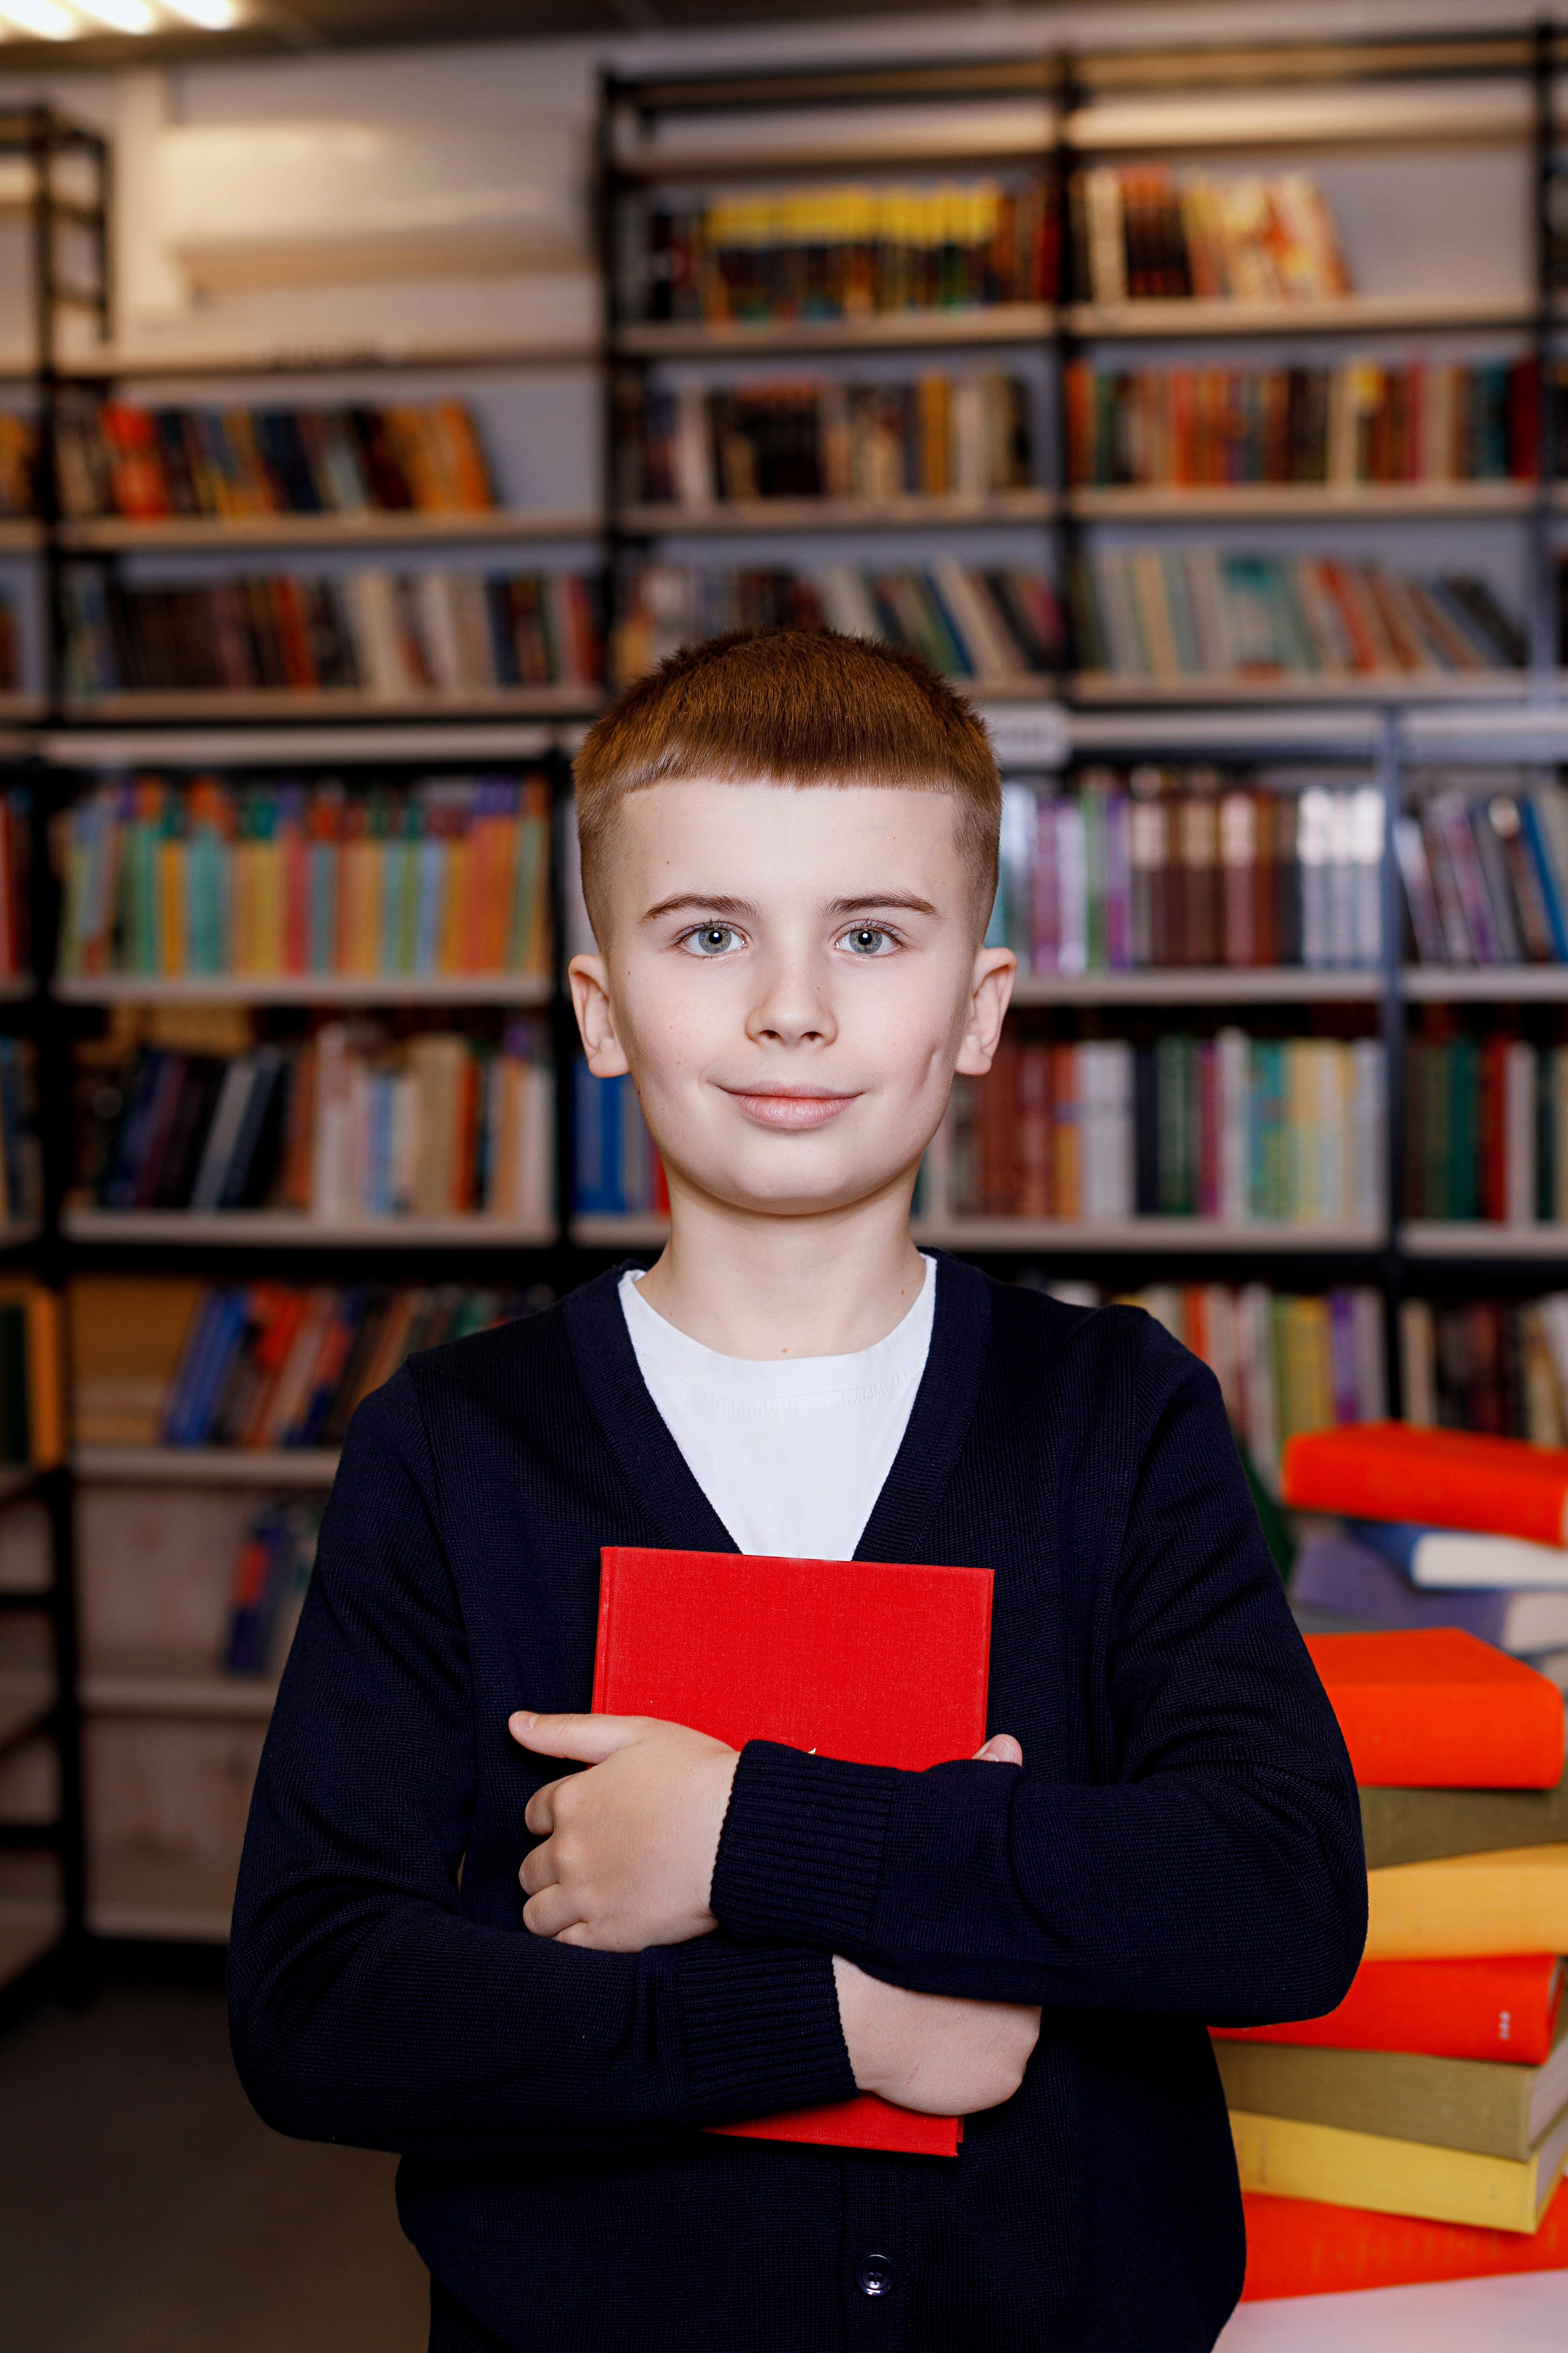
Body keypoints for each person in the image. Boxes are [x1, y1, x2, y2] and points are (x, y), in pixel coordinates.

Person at [228, 628, 1366, 2353]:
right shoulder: (454, 1449)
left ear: (977, 1011)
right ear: (602, 1012)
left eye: (872, 932)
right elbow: (316, 1998)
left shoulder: (1117, 1416)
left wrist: (745, 1832)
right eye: (709, 933)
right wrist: (828, 2020)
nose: (793, 1005)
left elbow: (1279, 1892)